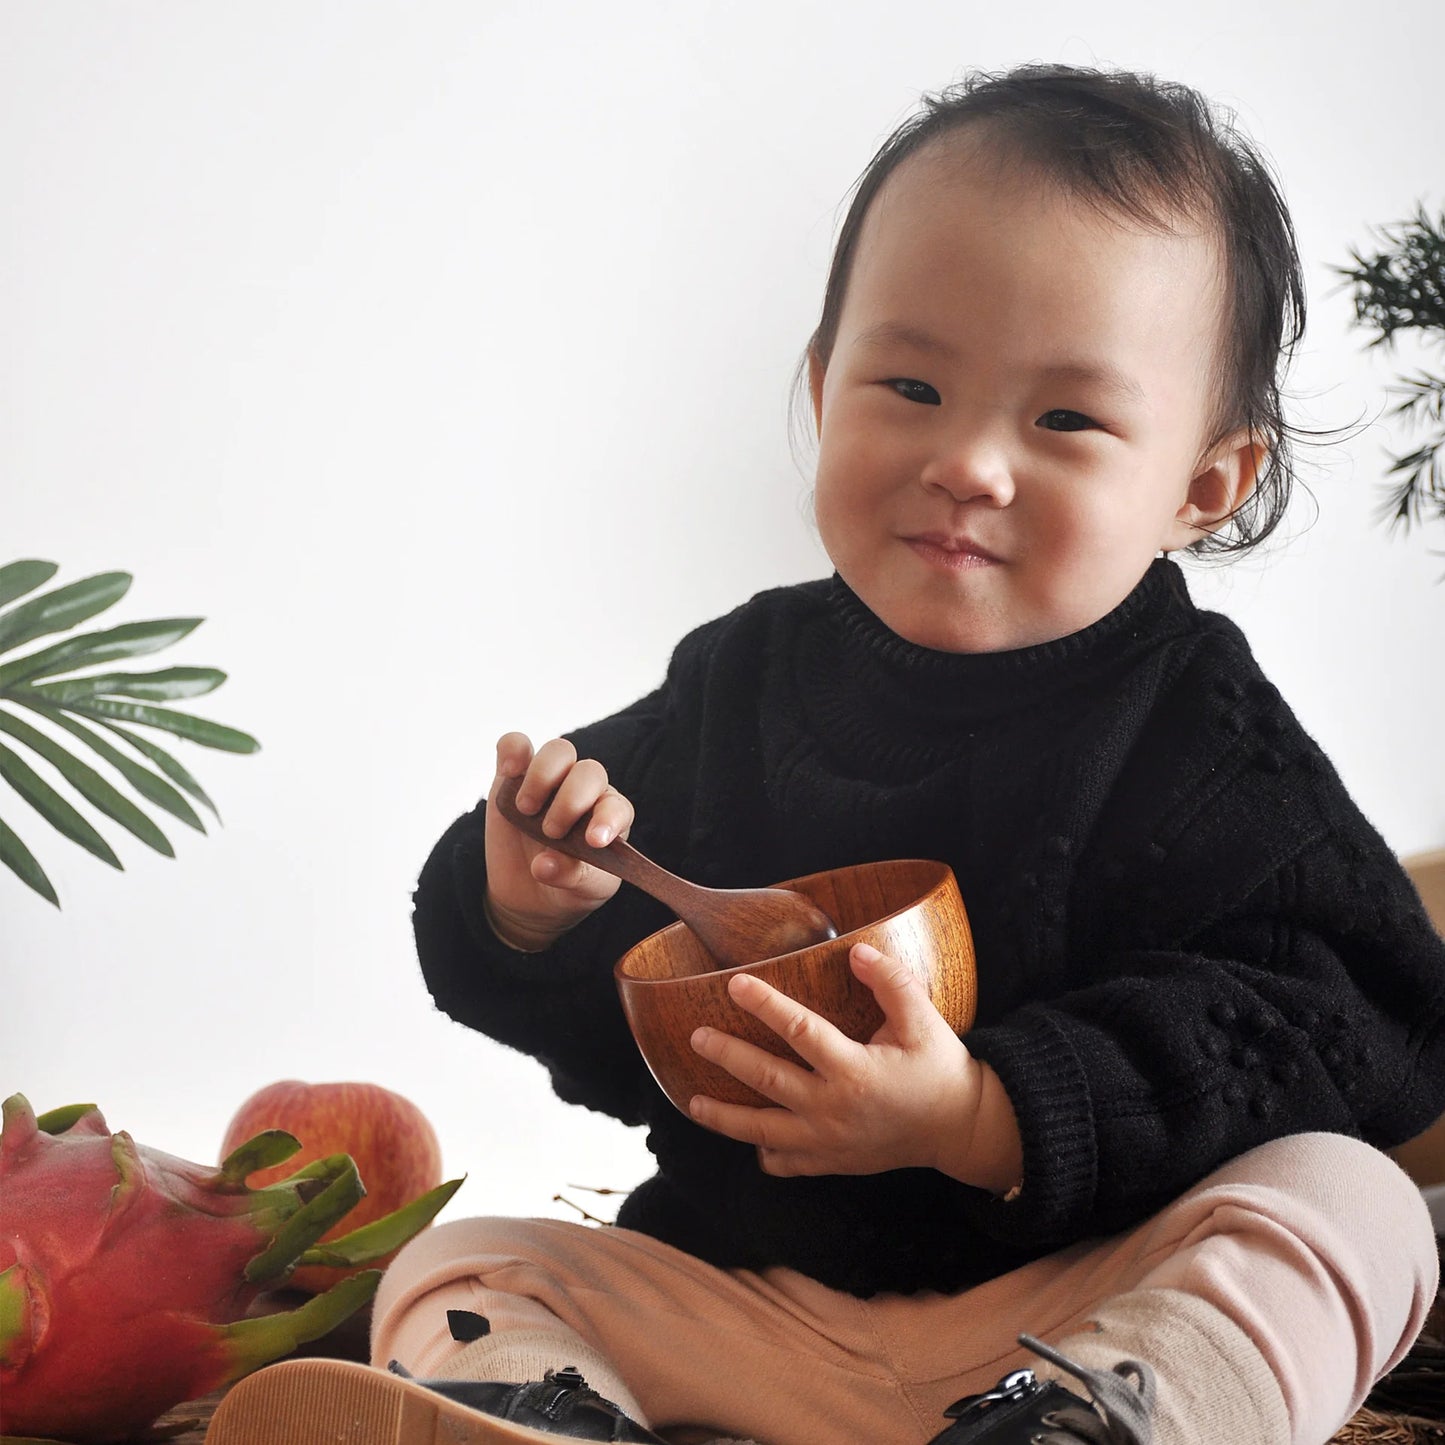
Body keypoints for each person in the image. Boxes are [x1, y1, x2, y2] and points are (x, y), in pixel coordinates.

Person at [207, 64, 1445, 1445]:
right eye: (910, 385)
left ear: (1202, 485)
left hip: (1088, 1313)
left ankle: (1090, 1428)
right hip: (751, 1308)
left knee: (1357, 1209)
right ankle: (549, 1417)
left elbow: (1365, 1019)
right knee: (466, 1259)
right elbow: (619, 1032)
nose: (967, 461)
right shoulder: (743, 679)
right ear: (819, 383)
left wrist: (985, 1112)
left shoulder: (1203, 735)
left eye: (1064, 420)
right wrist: (525, 898)